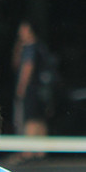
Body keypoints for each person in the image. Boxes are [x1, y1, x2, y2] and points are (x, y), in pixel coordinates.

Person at [10, 20, 54, 162]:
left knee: (29, 119)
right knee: (40, 119)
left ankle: (27, 152)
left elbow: (27, 67)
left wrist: (21, 87)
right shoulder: (40, 47)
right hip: (42, 91)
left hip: (31, 90)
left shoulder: (29, 48)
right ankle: (41, 151)